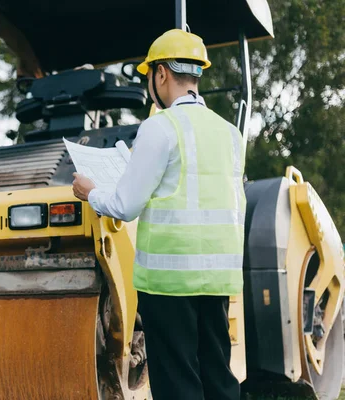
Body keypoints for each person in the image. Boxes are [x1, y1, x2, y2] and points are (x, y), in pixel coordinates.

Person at [72, 29, 245, 400]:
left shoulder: (159, 127)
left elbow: (126, 205)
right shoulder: (230, 133)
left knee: (177, 380)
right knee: (217, 374)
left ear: (161, 74)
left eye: (148, 74)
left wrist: (92, 192)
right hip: (217, 276)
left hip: (169, 281)